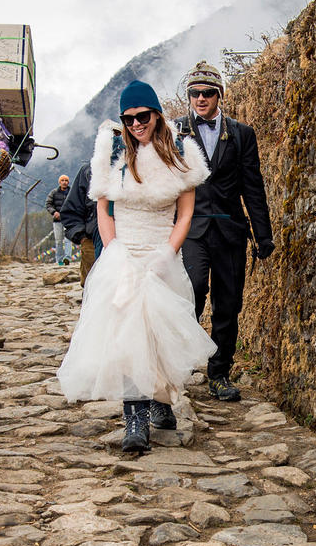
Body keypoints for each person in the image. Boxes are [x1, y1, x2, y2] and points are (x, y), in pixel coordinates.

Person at [57, 80, 215, 453]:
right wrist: (114, 253)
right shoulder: (112, 155)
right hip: (124, 253)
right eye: (128, 119)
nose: (135, 125)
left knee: (158, 333)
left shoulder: (181, 155)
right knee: (128, 335)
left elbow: (185, 212)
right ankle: (135, 419)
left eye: (142, 116)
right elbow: (103, 208)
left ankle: (161, 400)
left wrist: (167, 253)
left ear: (156, 114)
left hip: (162, 253)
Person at [173, 61, 274, 403]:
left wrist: (263, 235)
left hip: (230, 229)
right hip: (192, 229)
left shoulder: (242, 134)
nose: (200, 98)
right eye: (194, 93)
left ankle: (219, 372)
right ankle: (182, 360)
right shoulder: (175, 132)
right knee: (194, 289)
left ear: (219, 95)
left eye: (207, 92)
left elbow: (253, 187)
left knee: (229, 303)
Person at [59, 161, 102, 266]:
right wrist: (83, 238)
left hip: (134, 245)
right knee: (92, 281)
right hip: (92, 240)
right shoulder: (89, 171)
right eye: (62, 180)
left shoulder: (142, 168)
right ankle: (63, 258)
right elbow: (70, 211)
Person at [46, 173, 71, 265]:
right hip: (57, 220)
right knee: (59, 240)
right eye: (62, 180)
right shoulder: (54, 193)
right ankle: (59, 260)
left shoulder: (72, 192)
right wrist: (54, 212)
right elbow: (48, 204)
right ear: (59, 182)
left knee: (68, 239)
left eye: (66, 180)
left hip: (68, 219)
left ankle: (67, 258)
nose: (64, 182)